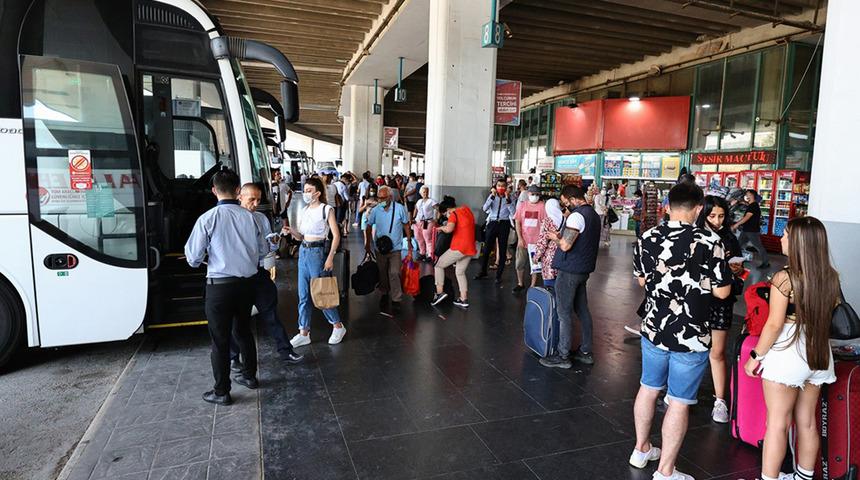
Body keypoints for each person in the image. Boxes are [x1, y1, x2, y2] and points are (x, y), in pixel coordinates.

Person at [630, 182, 732, 480]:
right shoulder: (710, 240)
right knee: (678, 401)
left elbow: (641, 281)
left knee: (648, 389)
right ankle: (665, 471)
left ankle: (641, 449)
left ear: (667, 205)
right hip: (691, 335)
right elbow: (724, 293)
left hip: (653, 329)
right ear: (700, 208)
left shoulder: (647, 237)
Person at [743, 216, 839, 480]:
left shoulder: (785, 278)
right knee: (808, 423)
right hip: (819, 353)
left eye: (785, 234)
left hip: (788, 353)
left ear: (798, 242)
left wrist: (755, 356)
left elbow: (774, 325)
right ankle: (803, 477)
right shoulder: (830, 277)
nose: (782, 239)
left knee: (777, 423)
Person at [184, 169, 267, 405]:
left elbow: (192, 258)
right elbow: (262, 251)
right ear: (238, 191)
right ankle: (250, 377)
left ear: (214, 191)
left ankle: (222, 391)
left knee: (220, 340)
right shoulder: (251, 218)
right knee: (243, 331)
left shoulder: (208, 219)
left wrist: (210, 257)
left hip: (219, 287)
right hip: (247, 285)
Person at [229, 183, 304, 370]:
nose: (255, 203)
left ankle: (285, 351)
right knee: (237, 318)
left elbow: (265, 249)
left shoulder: (261, 218)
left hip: (257, 270)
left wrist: (273, 244)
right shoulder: (230, 218)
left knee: (271, 312)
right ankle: (233, 356)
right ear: (240, 196)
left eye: (258, 200)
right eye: (251, 199)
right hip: (237, 275)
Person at [696, 195, 745, 424]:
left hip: (721, 303)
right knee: (692, 350)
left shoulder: (729, 238)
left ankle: (720, 400)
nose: (717, 220)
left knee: (717, 352)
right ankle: (681, 393)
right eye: (712, 215)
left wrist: (734, 270)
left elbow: (739, 275)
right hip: (697, 300)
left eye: (722, 215)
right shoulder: (694, 237)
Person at [540, 185, 601, 368]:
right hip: (583, 270)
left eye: (564, 201)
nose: (564, 205)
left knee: (563, 312)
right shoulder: (594, 215)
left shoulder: (576, 216)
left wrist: (554, 237)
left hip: (570, 270)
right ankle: (585, 351)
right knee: (582, 310)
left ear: (571, 198)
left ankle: (563, 355)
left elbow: (566, 245)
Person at [283, 177, 347, 347]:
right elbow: (302, 236)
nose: (306, 193)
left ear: (318, 193)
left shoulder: (326, 209)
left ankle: (337, 325)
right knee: (303, 294)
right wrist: (292, 232)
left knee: (321, 292)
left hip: (318, 252)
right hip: (304, 251)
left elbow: (336, 235)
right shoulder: (305, 210)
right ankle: (304, 331)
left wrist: (330, 257)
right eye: (305, 190)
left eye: (309, 190)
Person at [364, 185, 413, 312]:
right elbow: (368, 226)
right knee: (382, 273)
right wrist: (367, 244)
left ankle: (396, 298)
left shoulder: (399, 209)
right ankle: (384, 293)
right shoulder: (375, 210)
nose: (380, 200)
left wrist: (409, 242)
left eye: (383, 198)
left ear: (390, 197)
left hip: (395, 248)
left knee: (394, 272)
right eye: (379, 198)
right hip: (380, 248)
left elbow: (406, 225)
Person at [431, 196, 475, 308]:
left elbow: (449, 229)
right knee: (460, 272)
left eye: (445, 214)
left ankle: (439, 293)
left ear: (448, 210)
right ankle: (463, 299)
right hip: (470, 247)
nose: (446, 216)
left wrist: (441, 228)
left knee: (438, 265)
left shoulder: (453, 215)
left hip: (459, 247)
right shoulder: (466, 209)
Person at [476, 179, 515, 284]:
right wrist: (492, 197)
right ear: (495, 187)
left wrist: (507, 200)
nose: (501, 188)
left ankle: (499, 275)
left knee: (502, 250)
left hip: (504, 224)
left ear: (506, 188)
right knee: (487, 249)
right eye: (499, 185)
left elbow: (513, 212)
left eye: (503, 186)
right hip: (492, 223)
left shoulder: (510, 198)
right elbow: (485, 208)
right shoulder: (492, 197)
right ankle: (483, 271)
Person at [513, 185, 546, 293]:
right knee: (519, 263)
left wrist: (541, 241)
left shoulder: (542, 206)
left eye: (537, 194)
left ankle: (532, 285)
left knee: (535, 265)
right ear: (528, 194)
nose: (534, 196)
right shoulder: (522, 205)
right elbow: (517, 221)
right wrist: (520, 238)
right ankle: (520, 283)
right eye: (532, 194)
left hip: (536, 242)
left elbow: (545, 223)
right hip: (523, 240)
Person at [732, 189, 771, 269]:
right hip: (746, 230)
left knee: (758, 246)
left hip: (752, 231)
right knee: (738, 245)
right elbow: (746, 204)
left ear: (752, 195)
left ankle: (766, 263)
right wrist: (739, 202)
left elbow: (747, 217)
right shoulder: (752, 205)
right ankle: (735, 262)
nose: (746, 196)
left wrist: (736, 224)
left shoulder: (753, 206)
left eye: (748, 194)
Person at [533, 198, 563, 288]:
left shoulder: (547, 221)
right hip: (562, 254)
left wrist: (536, 256)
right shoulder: (566, 219)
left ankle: (552, 301)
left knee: (550, 287)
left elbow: (543, 242)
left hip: (549, 258)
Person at [412, 186, 437, 262]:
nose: (425, 193)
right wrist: (413, 218)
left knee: (427, 237)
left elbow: (438, 209)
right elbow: (416, 209)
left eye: (427, 192)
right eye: (424, 192)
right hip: (418, 221)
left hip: (427, 222)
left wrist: (436, 219)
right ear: (420, 193)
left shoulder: (431, 201)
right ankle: (422, 253)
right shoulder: (419, 201)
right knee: (418, 237)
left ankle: (430, 255)